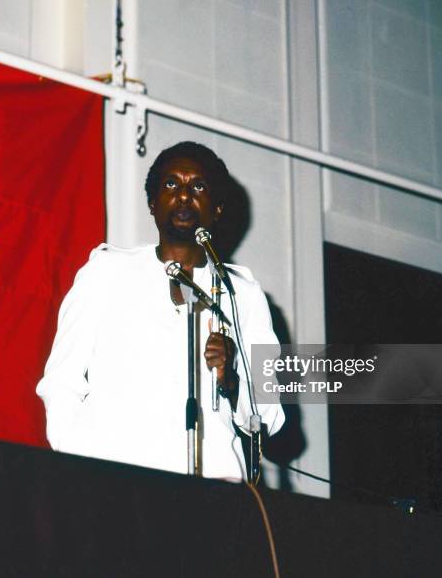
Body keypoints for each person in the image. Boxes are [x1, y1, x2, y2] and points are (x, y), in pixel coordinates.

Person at [36, 141, 284, 480]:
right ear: (153, 203)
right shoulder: (106, 272)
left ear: (218, 209)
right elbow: (61, 381)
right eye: (171, 184)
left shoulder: (244, 294)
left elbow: (268, 415)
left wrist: (232, 380)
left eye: (198, 186)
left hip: (212, 496)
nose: (184, 196)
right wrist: (77, 459)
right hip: (112, 485)